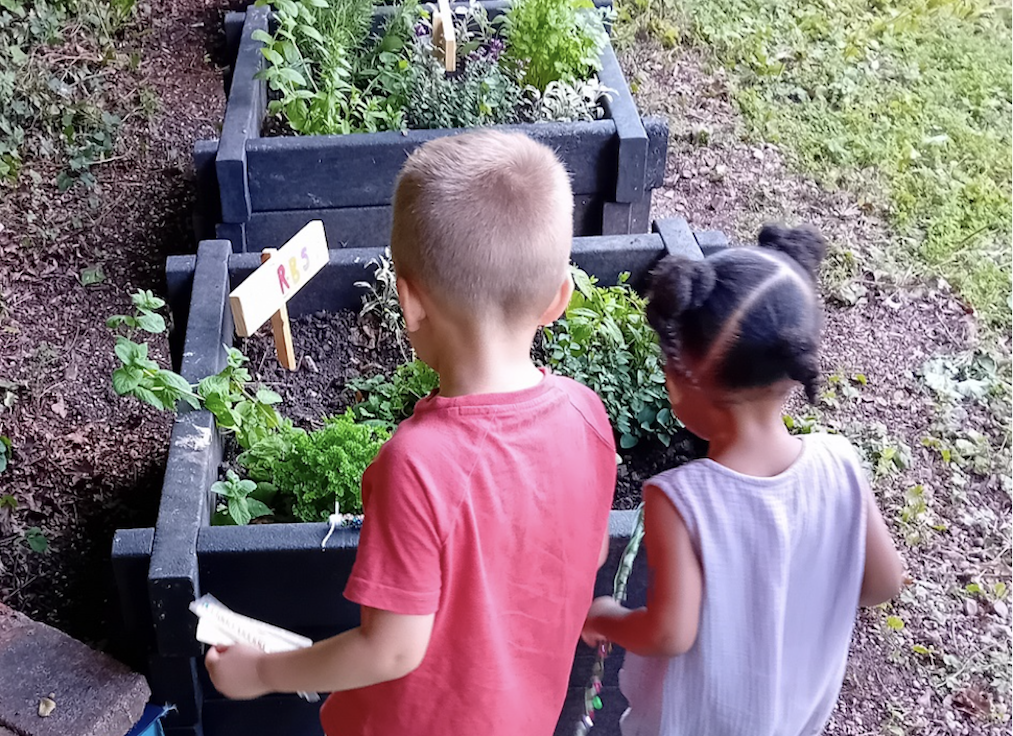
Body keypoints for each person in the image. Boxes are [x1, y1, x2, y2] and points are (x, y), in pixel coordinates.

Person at [205, 131, 618, 735]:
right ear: (558, 299)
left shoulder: (418, 464)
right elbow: (591, 552)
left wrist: (265, 672)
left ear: (409, 303)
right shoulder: (587, 415)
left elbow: (393, 649)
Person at [582, 224, 904, 736]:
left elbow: (669, 633)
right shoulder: (839, 462)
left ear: (678, 377)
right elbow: (884, 583)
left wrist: (604, 617)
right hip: (793, 719)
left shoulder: (680, 499)